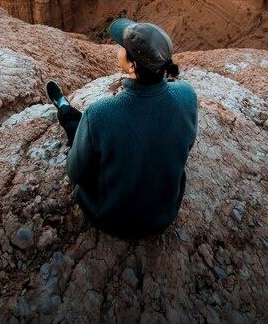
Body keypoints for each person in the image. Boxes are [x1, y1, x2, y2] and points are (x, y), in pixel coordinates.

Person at [46, 18, 198, 239]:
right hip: (164, 214)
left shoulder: (99, 113)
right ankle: (67, 112)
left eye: (122, 47)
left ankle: (64, 109)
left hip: (110, 217)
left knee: (80, 127)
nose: (118, 49)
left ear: (132, 64)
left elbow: (75, 172)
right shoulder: (187, 95)